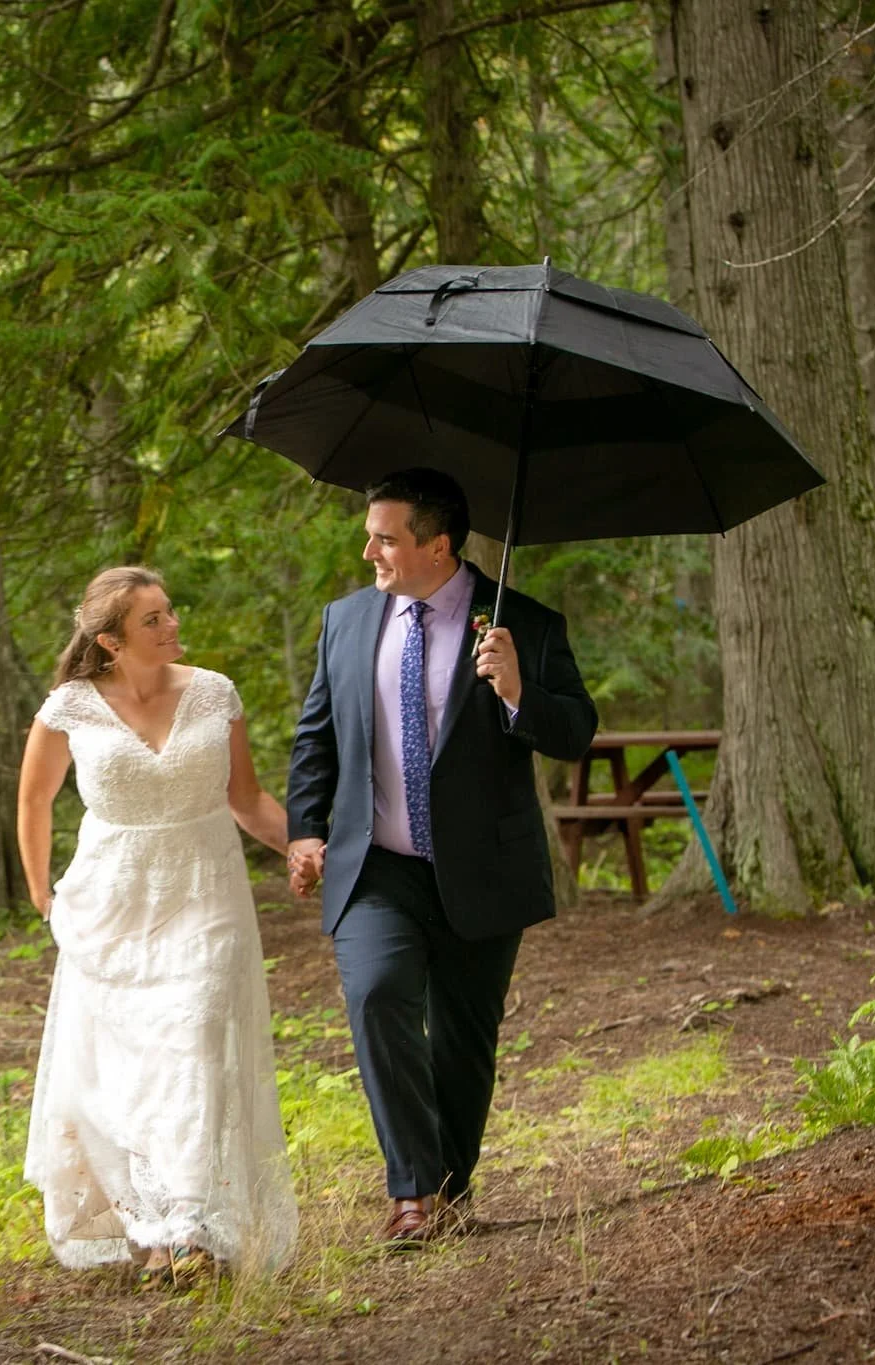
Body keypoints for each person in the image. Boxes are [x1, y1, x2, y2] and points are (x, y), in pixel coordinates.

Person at [285, 468, 596, 1245]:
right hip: (377, 864)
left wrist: (520, 691)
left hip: (483, 868)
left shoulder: (524, 621)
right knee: (377, 993)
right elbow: (316, 736)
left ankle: (452, 1188)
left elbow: (576, 731)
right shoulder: (348, 621)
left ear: (438, 545)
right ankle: (414, 1193)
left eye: (385, 537)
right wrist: (304, 825)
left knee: (464, 1034)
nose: (369, 552)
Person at [18, 566, 298, 1283]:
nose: (172, 624)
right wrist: (43, 892)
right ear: (111, 640)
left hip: (205, 889)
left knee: (198, 1037)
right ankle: (144, 1220)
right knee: (125, 1066)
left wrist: (298, 842)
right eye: (152, 619)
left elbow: (247, 796)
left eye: (170, 611)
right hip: (112, 902)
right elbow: (36, 801)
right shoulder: (69, 709)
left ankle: (188, 1225)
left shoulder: (214, 693)